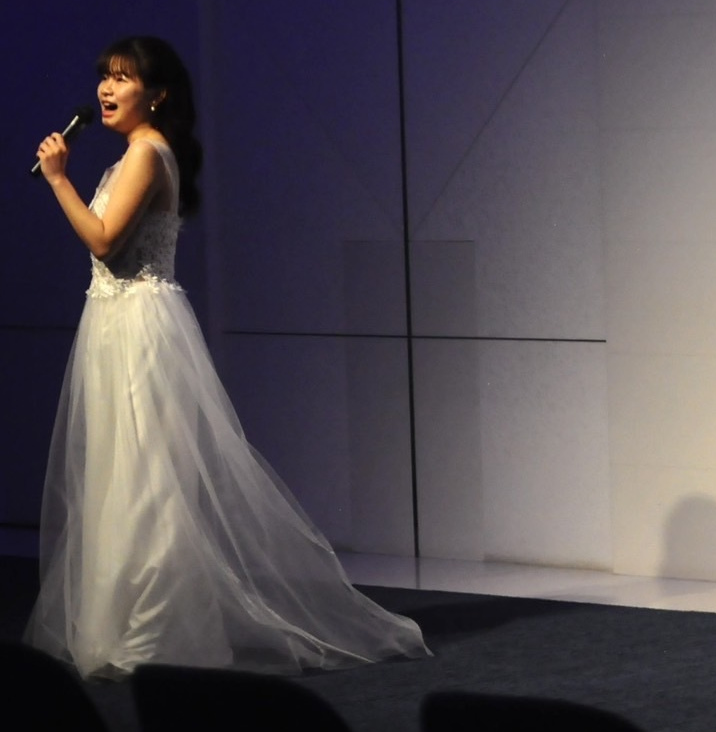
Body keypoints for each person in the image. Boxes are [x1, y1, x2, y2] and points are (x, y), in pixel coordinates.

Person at [25, 35, 429, 679]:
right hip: (113, 324)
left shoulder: (147, 153)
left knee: (147, 483)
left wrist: (56, 180)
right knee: (120, 478)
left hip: (139, 328)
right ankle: (129, 628)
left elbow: (103, 242)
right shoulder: (133, 155)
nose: (106, 88)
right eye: (105, 75)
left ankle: (153, 637)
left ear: (157, 95)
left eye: (123, 78)